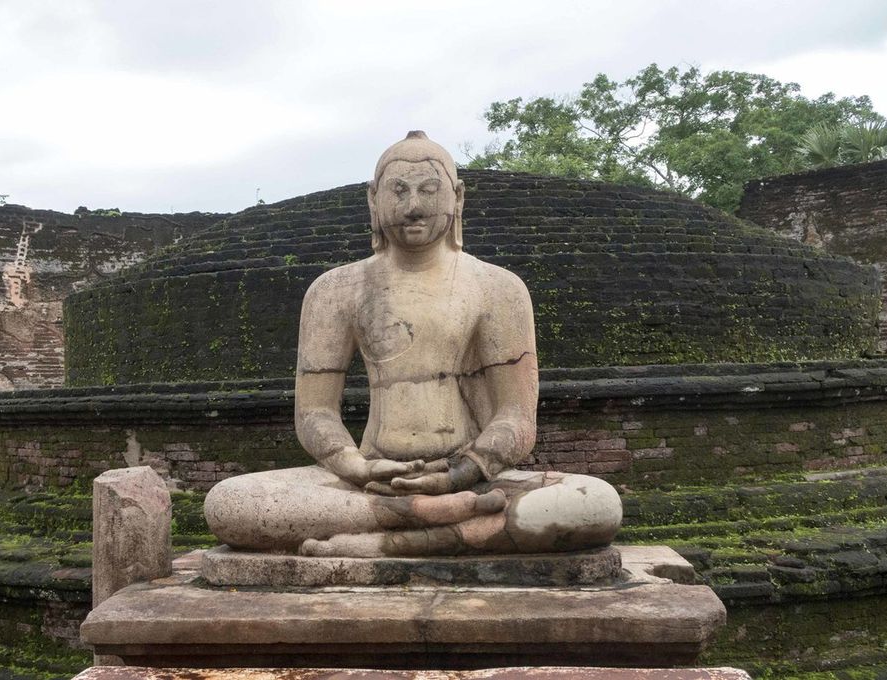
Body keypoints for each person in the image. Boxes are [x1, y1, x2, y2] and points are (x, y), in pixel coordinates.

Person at [204, 132, 621, 557]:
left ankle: (397, 536)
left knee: (597, 503)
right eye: (398, 191)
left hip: (473, 477)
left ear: (457, 198)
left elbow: (517, 417)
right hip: (371, 480)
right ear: (373, 199)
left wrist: (459, 474)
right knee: (229, 504)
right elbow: (314, 413)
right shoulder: (335, 290)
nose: (413, 206)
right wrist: (356, 466)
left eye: (428, 190)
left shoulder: (498, 288)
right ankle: (425, 518)